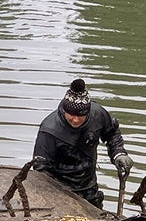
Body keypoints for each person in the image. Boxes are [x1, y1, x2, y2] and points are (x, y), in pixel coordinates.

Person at [32, 79, 133, 209]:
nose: (75, 120)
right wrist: (57, 195)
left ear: (88, 112)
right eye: (71, 115)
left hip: (89, 187)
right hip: (59, 190)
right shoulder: (49, 130)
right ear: (64, 110)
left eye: (81, 115)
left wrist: (118, 154)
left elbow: (112, 133)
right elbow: (41, 169)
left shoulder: (98, 114)